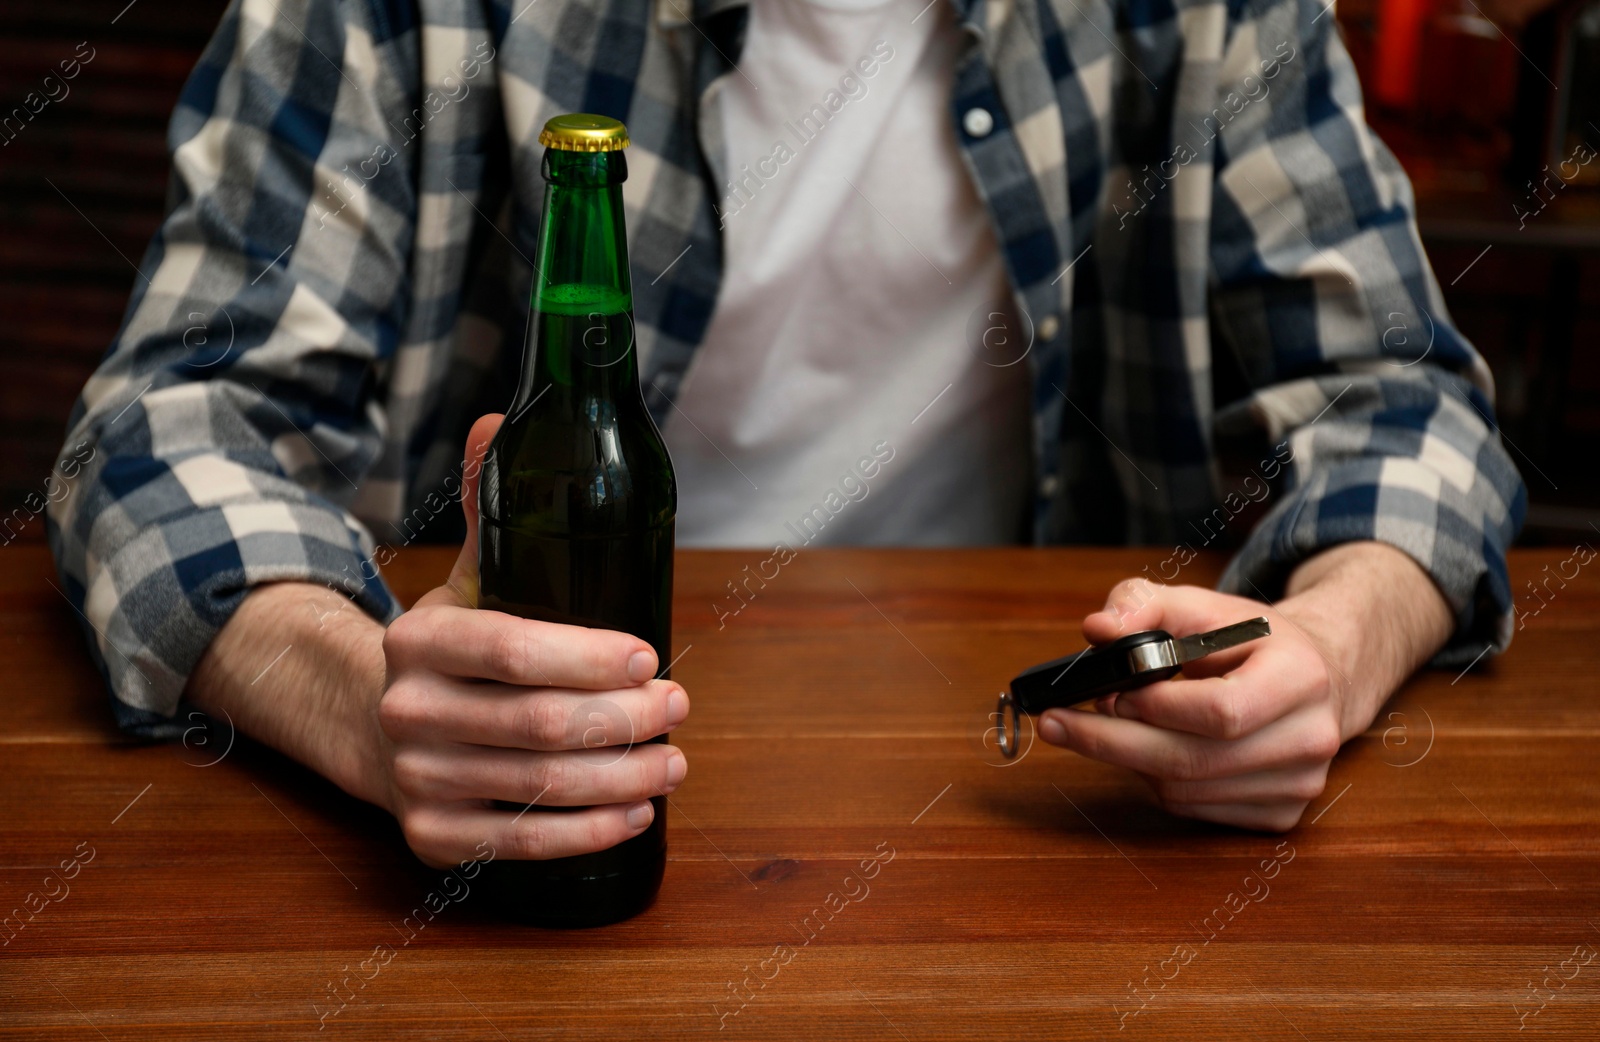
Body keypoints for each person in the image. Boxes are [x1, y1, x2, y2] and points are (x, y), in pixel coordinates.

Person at [48, 0, 1524, 866]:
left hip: (1027, 815)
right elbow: (169, 426)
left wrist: (1325, 653)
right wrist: (359, 699)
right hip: (539, 812)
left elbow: (1404, 403)